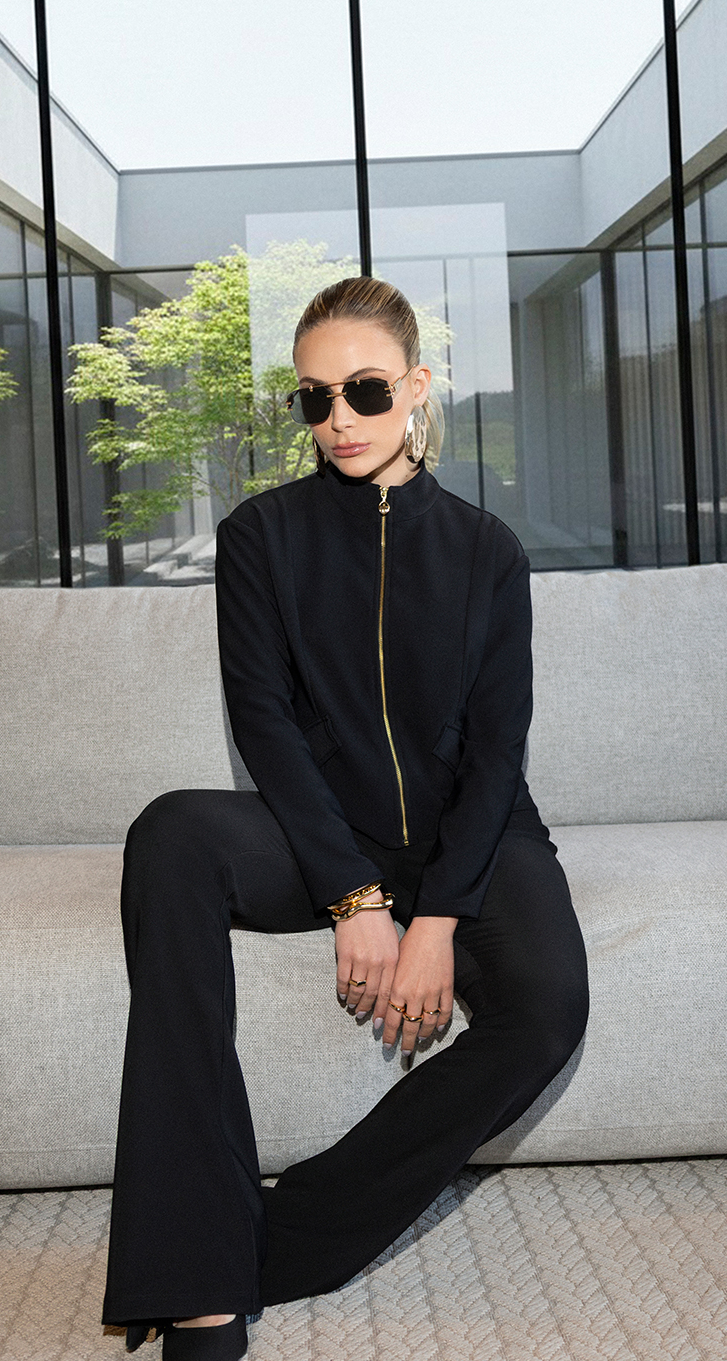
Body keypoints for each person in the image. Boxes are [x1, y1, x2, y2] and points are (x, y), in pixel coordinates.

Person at [101, 276, 589, 1360]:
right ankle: (197, 1285)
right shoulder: (260, 537)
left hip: (473, 833)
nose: (340, 420)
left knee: (549, 1007)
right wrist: (354, 898)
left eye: (365, 391)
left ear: (416, 386)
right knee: (172, 835)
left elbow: (496, 751)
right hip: (329, 833)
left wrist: (438, 917)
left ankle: (270, 1242)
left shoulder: (487, 550)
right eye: (314, 399)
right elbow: (265, 724)